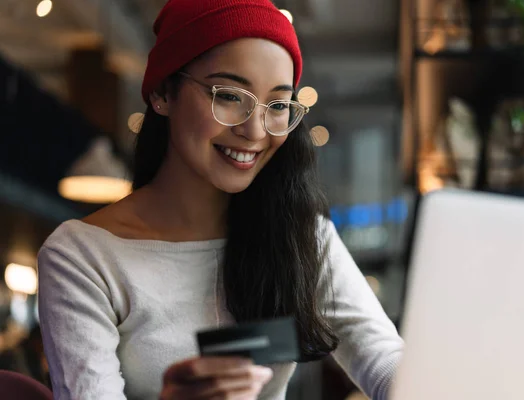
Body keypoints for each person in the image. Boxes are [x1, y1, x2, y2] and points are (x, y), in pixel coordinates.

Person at [37, 0, 404, 399]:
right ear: (163, 92)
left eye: (278, 105)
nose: (255, 131)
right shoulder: (83, 255)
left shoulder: (300, 234)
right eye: (230, 96)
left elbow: (383, 360)